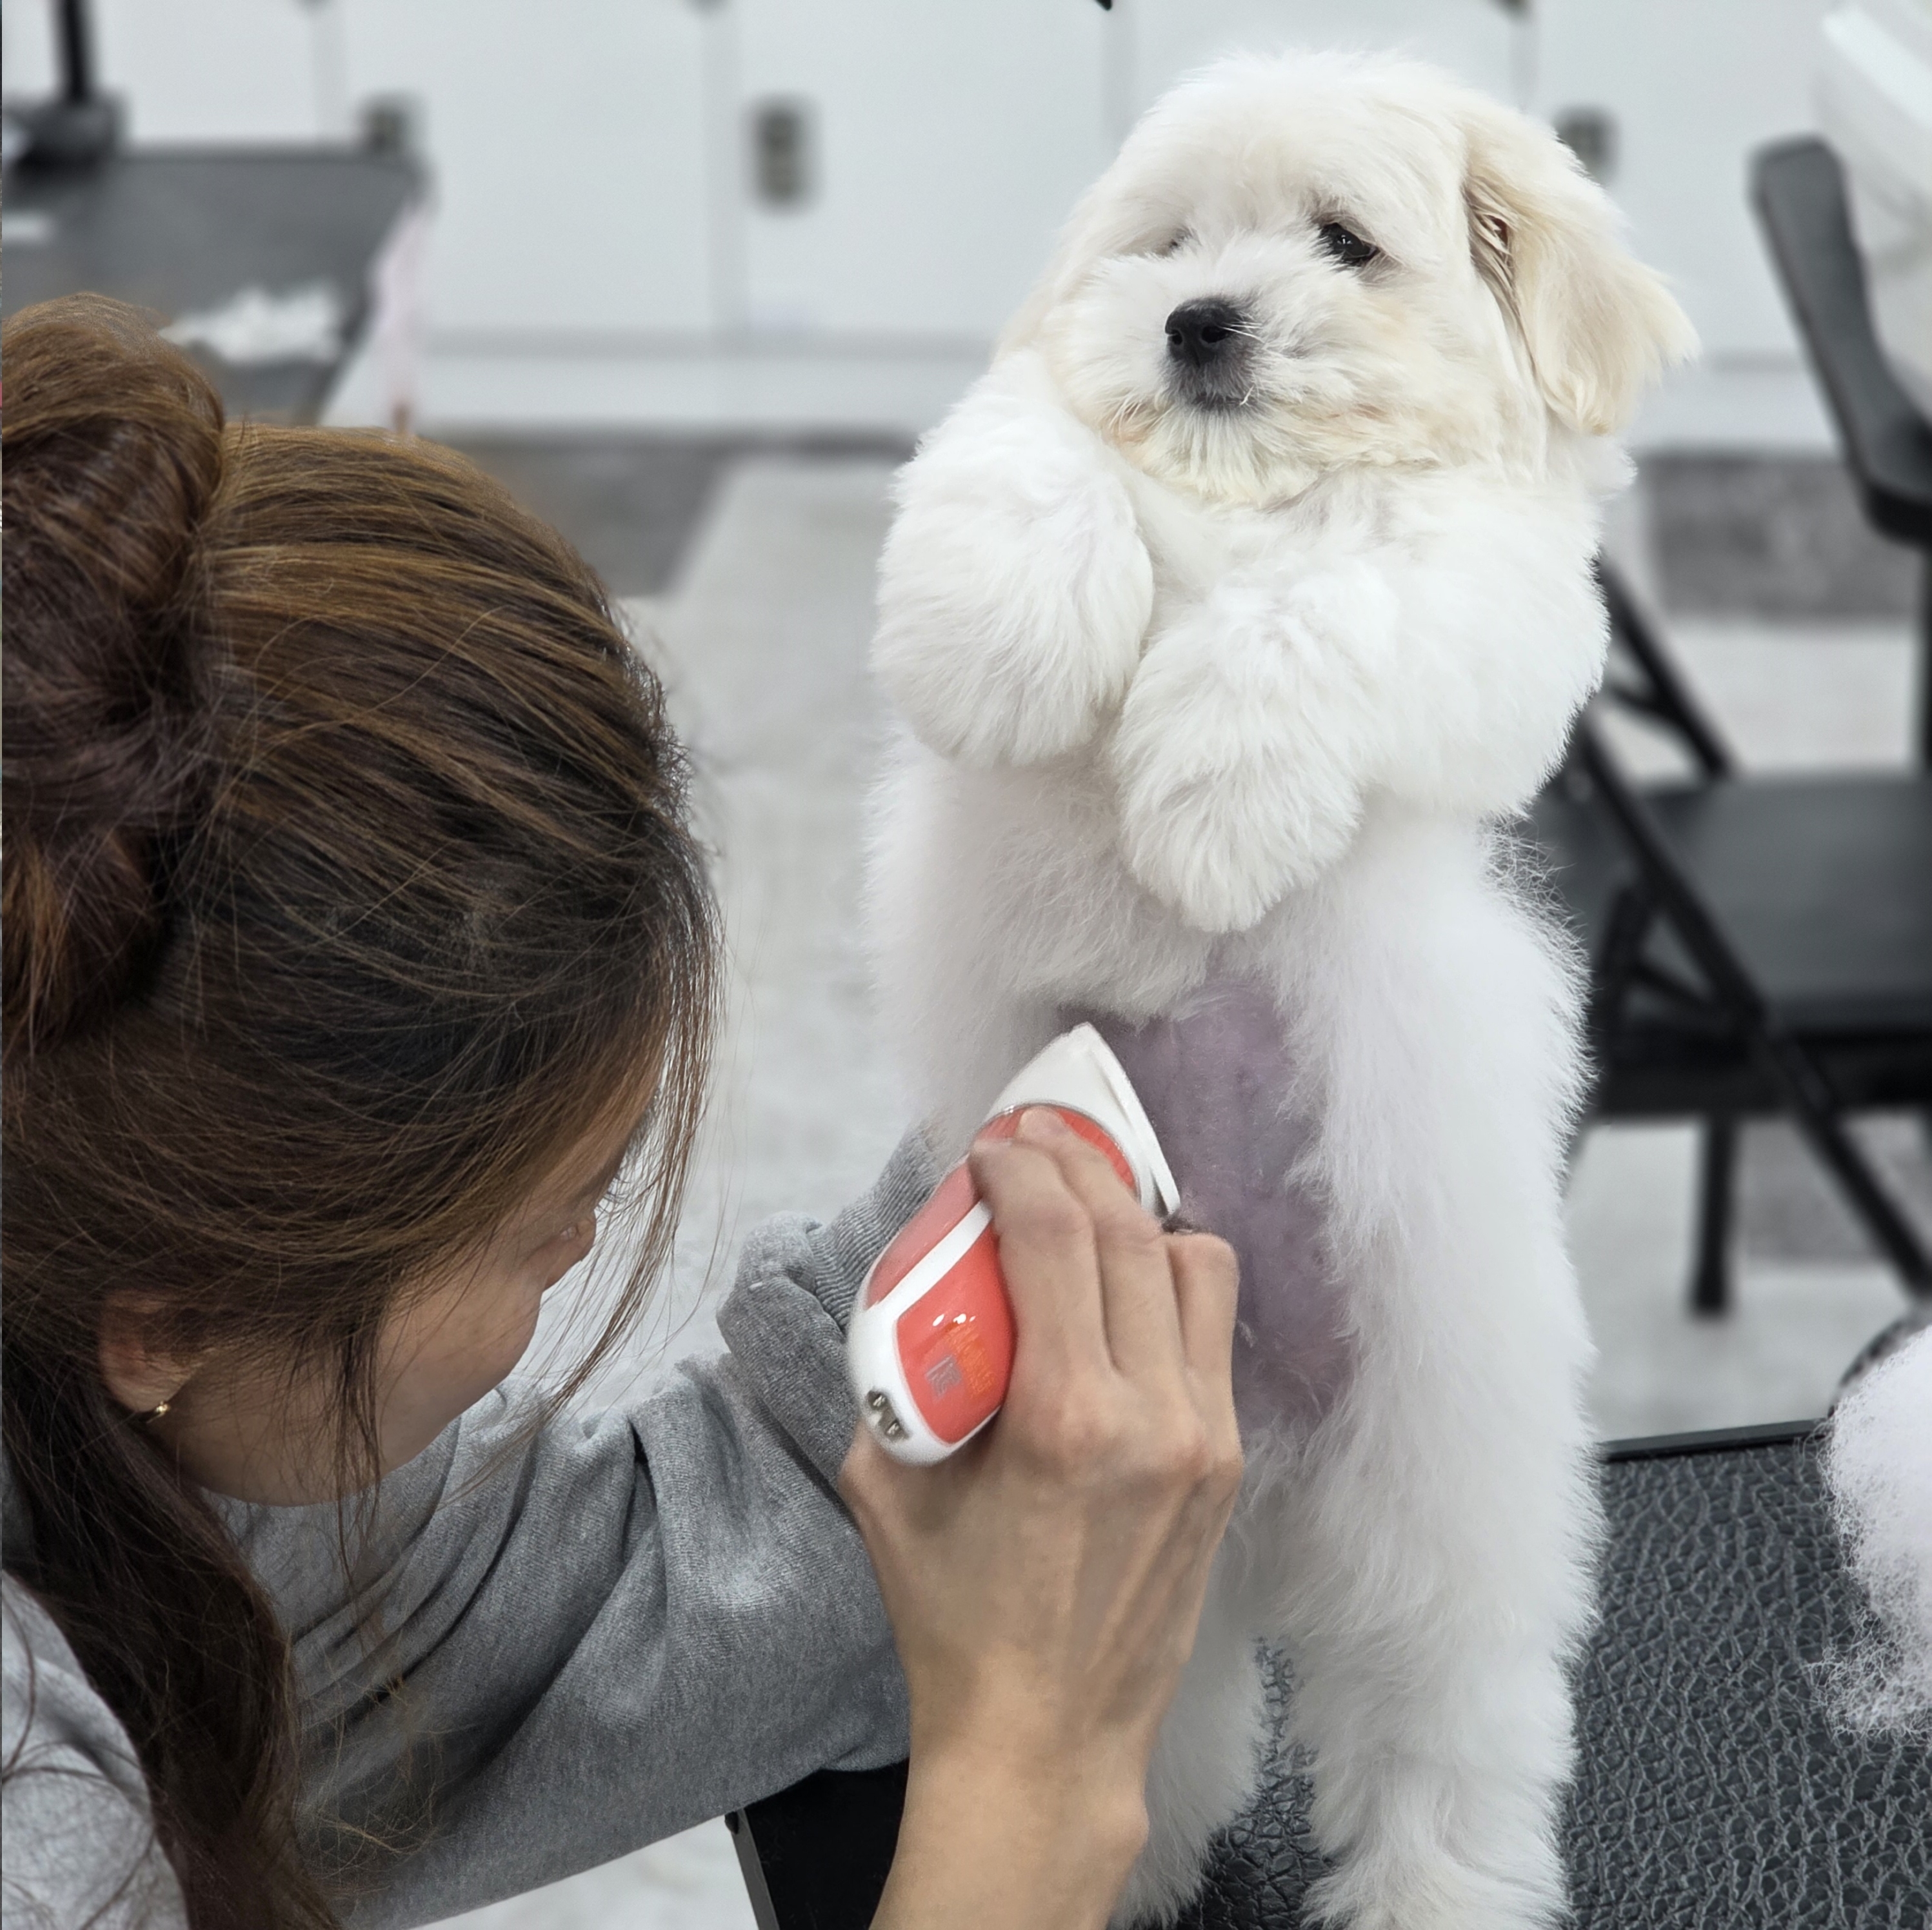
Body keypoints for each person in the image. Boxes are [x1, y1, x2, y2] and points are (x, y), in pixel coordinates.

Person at [1, 295, 1244, 1930]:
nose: (587, 1239)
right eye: (542, 1225)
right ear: (163, 1321)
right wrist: (1036, 1784)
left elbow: (638, 1585)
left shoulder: (89, 1298)